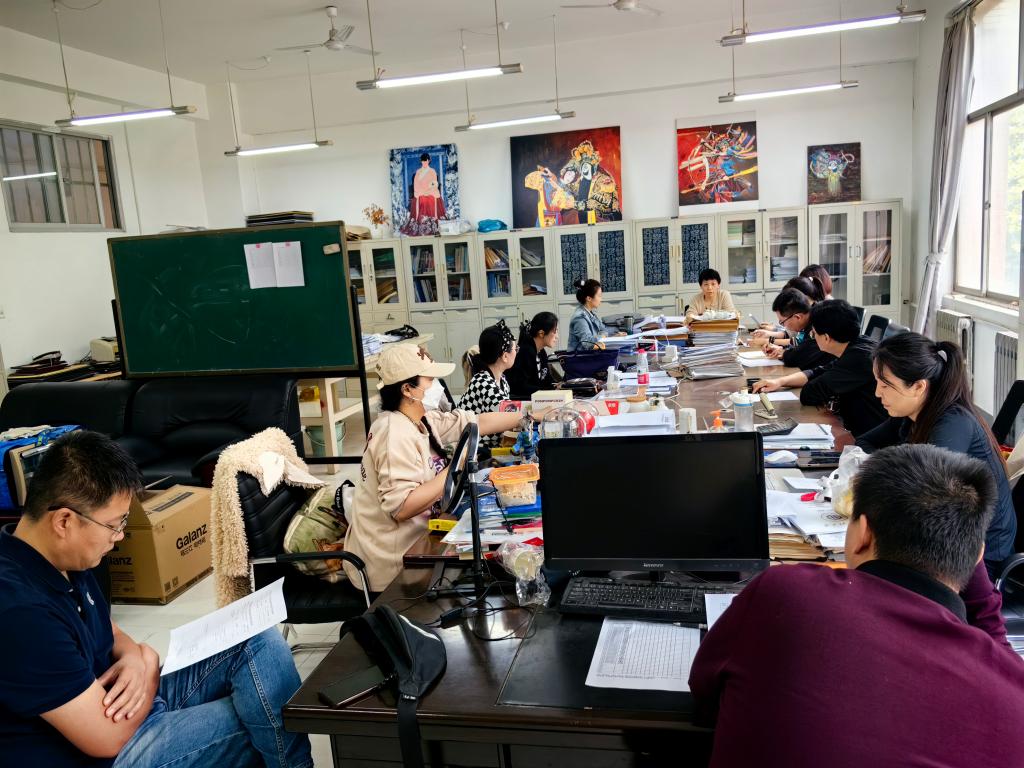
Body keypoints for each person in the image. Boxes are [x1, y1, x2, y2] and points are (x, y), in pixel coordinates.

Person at [690, 443, 1024, 767]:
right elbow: (1001, 661)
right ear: (979, 556)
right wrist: (967, 554)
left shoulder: (784, 592)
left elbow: (704, 692)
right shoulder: (1013, 693)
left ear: (863, 532)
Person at [0, 431, 312, 768]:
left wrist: (133, 657)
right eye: (114, 524)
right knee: (260, 717)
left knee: (258, 642)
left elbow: (107, 630)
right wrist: (147, 669)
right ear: (64, 521)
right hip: (102, 749)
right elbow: (105, 738)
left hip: (121, 705)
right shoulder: (20, 611)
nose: (120, 536)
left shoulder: (60, 556)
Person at [343, 343, 528, 593]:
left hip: (420, 539)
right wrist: (455, 467)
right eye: (429, 379)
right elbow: (402, 507)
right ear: (407, 389)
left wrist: (531, 415)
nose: (436, 385)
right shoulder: (393, 434)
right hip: (393, 565)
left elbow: (477, 422)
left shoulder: (419, 419)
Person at [858, 332, 1016, 571]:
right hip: (941, 538)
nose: (877, 393)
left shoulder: (953, 422)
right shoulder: (913, 412)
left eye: (886, 385)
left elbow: (928, 497)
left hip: (977, 558)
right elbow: (864, 443)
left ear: (918, 386)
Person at [754, 299, 886, 437]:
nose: (813, 338)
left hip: (868, 437)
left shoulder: (858, 359)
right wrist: (779, 382)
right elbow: (819, 371)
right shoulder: (858, 344)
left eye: (814, 334)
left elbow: (809, 394)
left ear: (826, 338)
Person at [459, 322, 518, 448]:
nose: (516, 352)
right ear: (505, 356)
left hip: (489, 445)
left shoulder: (501, 379)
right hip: (474, 449)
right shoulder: (483, 382)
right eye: (515, 349)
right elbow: (512, 415)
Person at [761, 288, 833, 369]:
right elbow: (801, 347)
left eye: (782, 322)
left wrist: (784, 353)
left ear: (797, 317)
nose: (784, 326)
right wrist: (781, 351)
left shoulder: (818, 323)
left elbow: (800, 357)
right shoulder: (812, 317)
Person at [507, 311, 560, 399]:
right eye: (554, 332)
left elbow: (546, 379)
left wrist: (558, 385)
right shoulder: (525, 352)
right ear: (541, 333)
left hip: (537, 398)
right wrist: (548, 390)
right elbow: (520, 387)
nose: (557, 336)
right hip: (524, 400)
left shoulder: (541, 352)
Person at [568, 278, 614, 351]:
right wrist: (603, 335)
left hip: (590, 354)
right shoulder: (580, 318)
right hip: (581, 357)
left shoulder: (590, 313)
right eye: (599, 296)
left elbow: (604, 329)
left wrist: (613, 335)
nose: (601, 299)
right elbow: (588, 343)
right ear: (589, 298)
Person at [412, 152, 444, 223]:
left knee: (431, 198)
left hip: (431, 191)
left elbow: (434, 183)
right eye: (423, 161)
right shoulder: (418, 172)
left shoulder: (432, 171)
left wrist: (428, 191)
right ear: (421, 161)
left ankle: (433, 220)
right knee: (422, 199)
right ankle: (422, 221)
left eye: (426, 161)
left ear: (429, 161)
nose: (424, 163)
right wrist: (422, 192)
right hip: (421, 192)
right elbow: (416, 184)